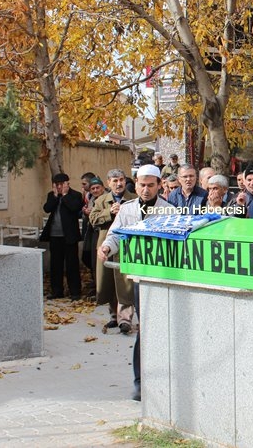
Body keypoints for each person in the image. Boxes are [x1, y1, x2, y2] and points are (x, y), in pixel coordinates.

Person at [98, 164, 176, 401]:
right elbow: (115, 233)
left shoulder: (171, 210)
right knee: (146, 329)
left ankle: (166, 379)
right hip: (139, 277)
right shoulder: (127, 209)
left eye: (151, 185)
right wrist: (107, 247)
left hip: (162, 278)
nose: (145, 189)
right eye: (141, 184)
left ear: (159, 185)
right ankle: (140, 383)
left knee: (159, 328)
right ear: (136, 183)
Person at [89, 169, 137, 333]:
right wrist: (109, 212)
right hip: (106, 246)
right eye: (115, 181)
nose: (119, 184)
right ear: (108, 183)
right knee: (107, 283)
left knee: (125, 284)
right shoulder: (102, 200)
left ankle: (125, 320)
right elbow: (93, 219)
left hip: (126, 247)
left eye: (122, 180)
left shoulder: (134, 199)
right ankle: (113, 317)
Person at [40, 173, 84, 300]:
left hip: (69, 235)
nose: (59, 187)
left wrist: (64, 196)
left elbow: (75, 208)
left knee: (72, 264)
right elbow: (47, 209)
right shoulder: (51, 195)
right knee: (56, 264)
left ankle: (75, 291)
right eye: (56, 185)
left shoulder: (75, 195)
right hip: (55, 235)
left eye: (61, 184)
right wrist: (54, 196)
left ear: (66, 184)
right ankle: (57, 291)